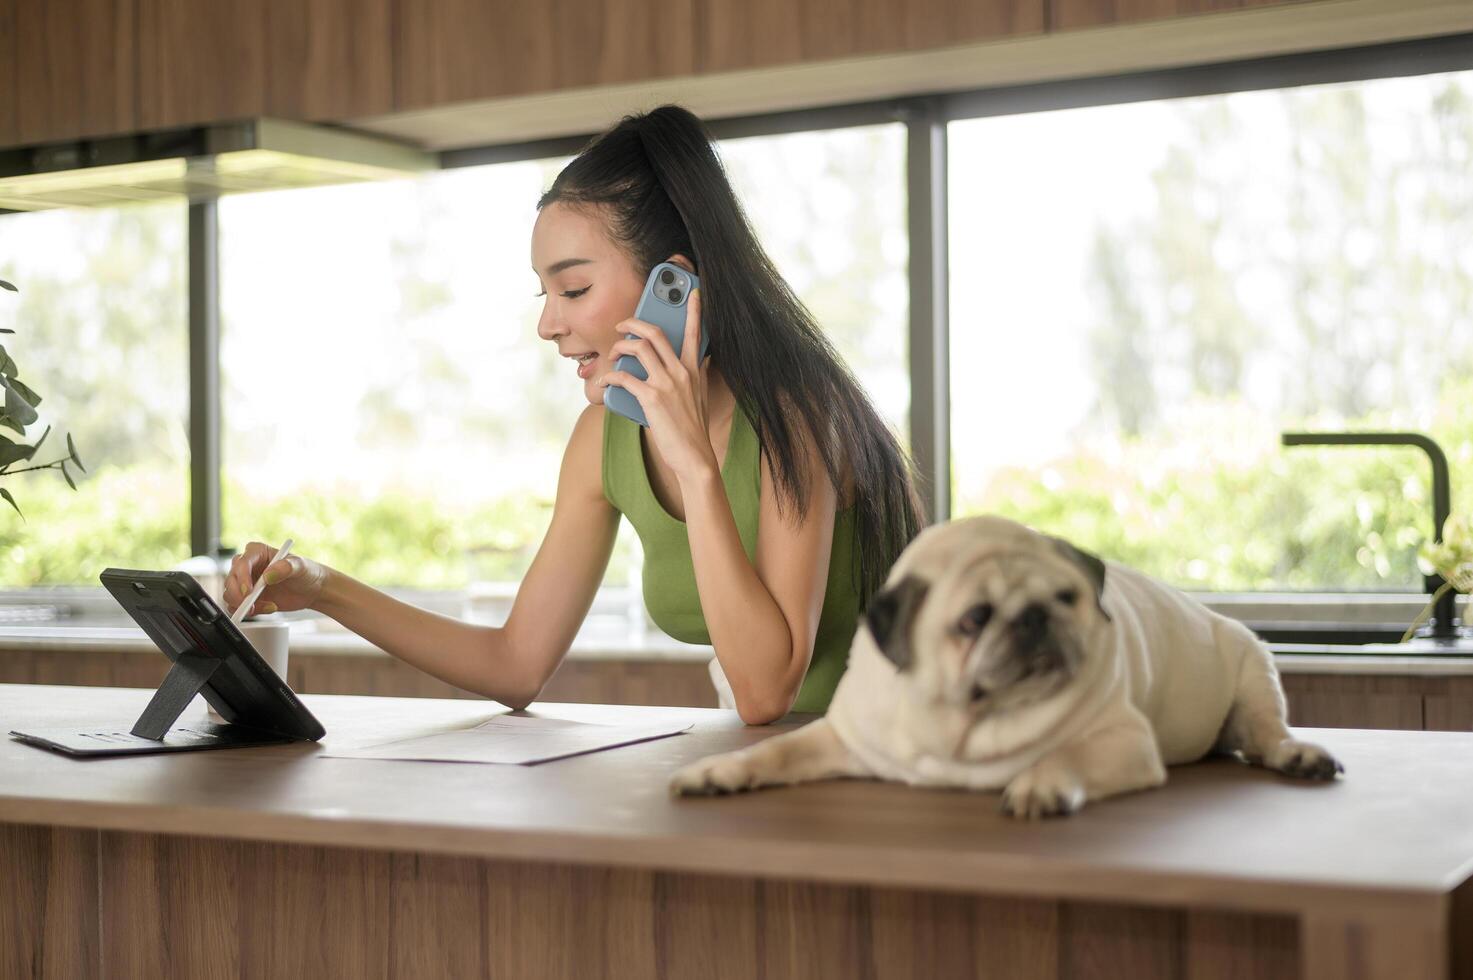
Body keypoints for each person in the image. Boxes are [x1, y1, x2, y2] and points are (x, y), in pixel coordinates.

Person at [224, 105, 924, 724]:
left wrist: (694, 466)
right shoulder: (604, 441)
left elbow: (767, 691)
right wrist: (320, 587)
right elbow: (514, 663)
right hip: (778, 778)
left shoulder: (797, 422)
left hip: (904, 776)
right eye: (544, 295)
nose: (549, 326)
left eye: (575, 287)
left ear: (672, 286)